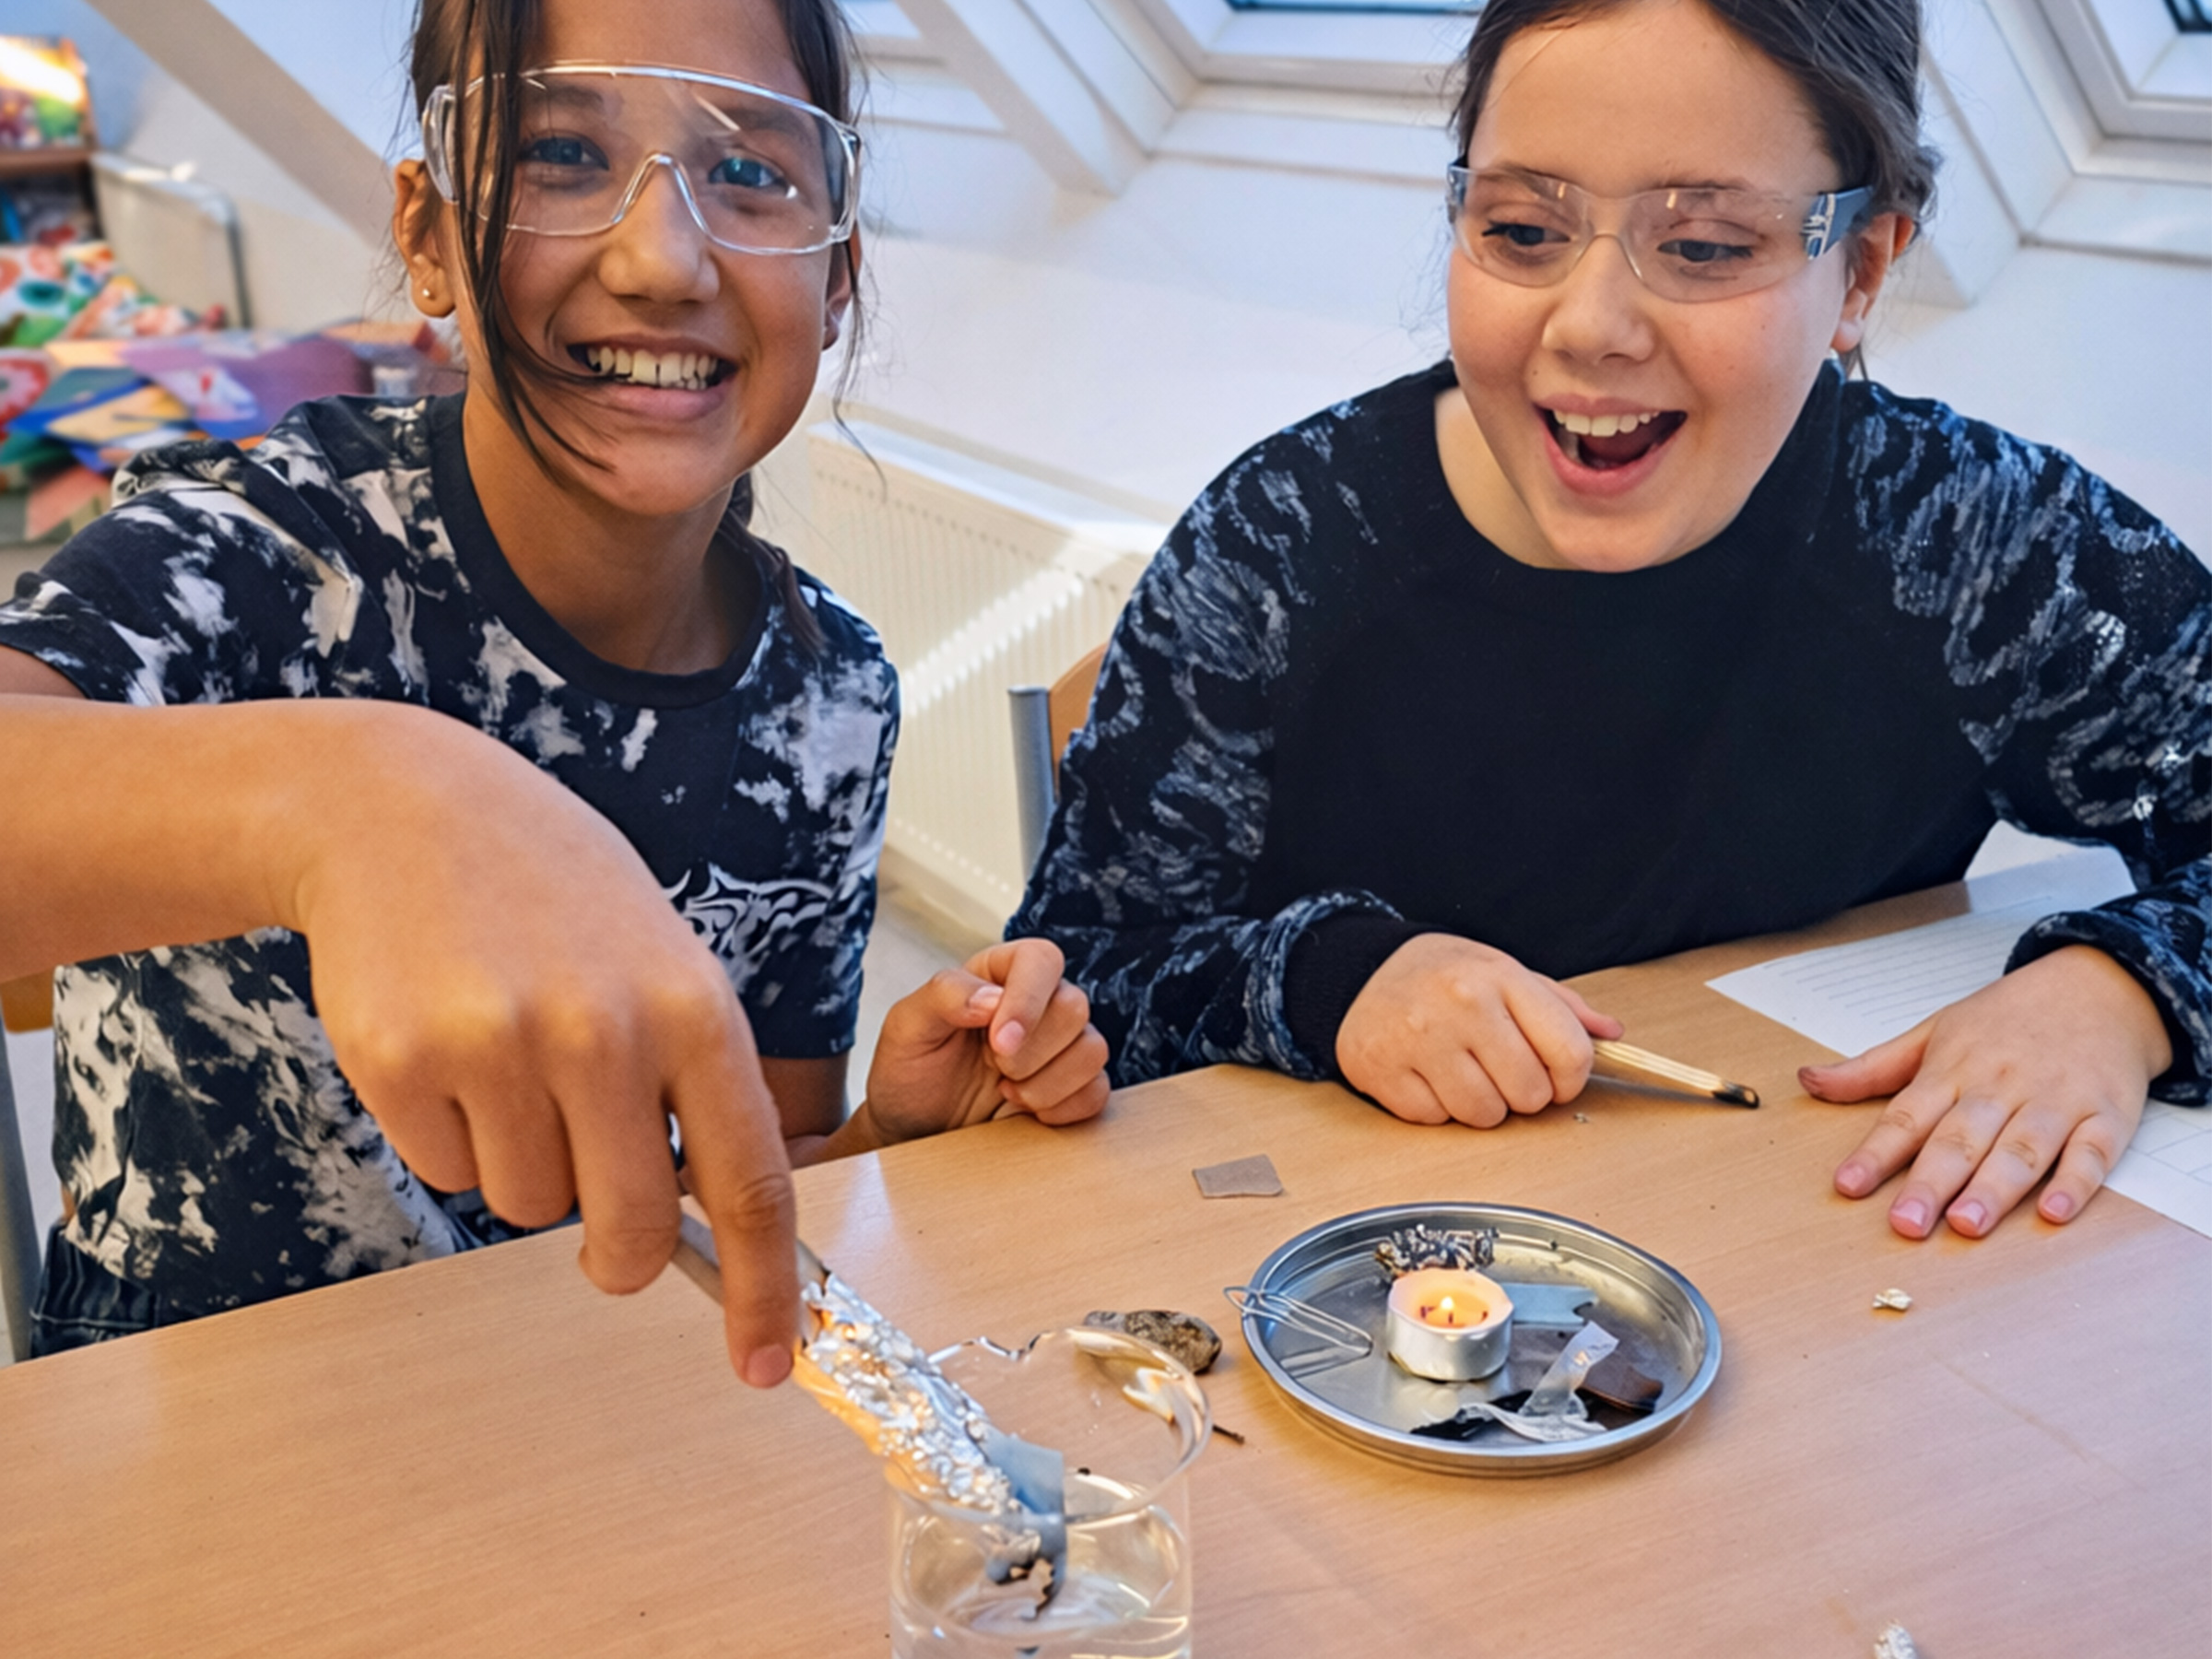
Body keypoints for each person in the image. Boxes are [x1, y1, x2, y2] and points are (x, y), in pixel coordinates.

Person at [0, 0, 1108, 1375]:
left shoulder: (831, 699)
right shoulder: (267, 554)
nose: (661, 259)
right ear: (427, 235)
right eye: (562, 155)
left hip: (583, 1391)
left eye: (752, 173)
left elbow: (745, 1170)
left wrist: (887, 1140)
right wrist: (345, 803)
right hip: (205, 1406)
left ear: (835, 280)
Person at [1011, 0, 2207, 1243]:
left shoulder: (1968, 542)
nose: (1589, 326)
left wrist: (2121, 994)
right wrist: (1326, 981)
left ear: (1859, 269)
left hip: (1801, 1248)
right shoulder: (1285, 541)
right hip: (1331, 1274)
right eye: (1521, 231)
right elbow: (1078, 976)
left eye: (1702, 247)